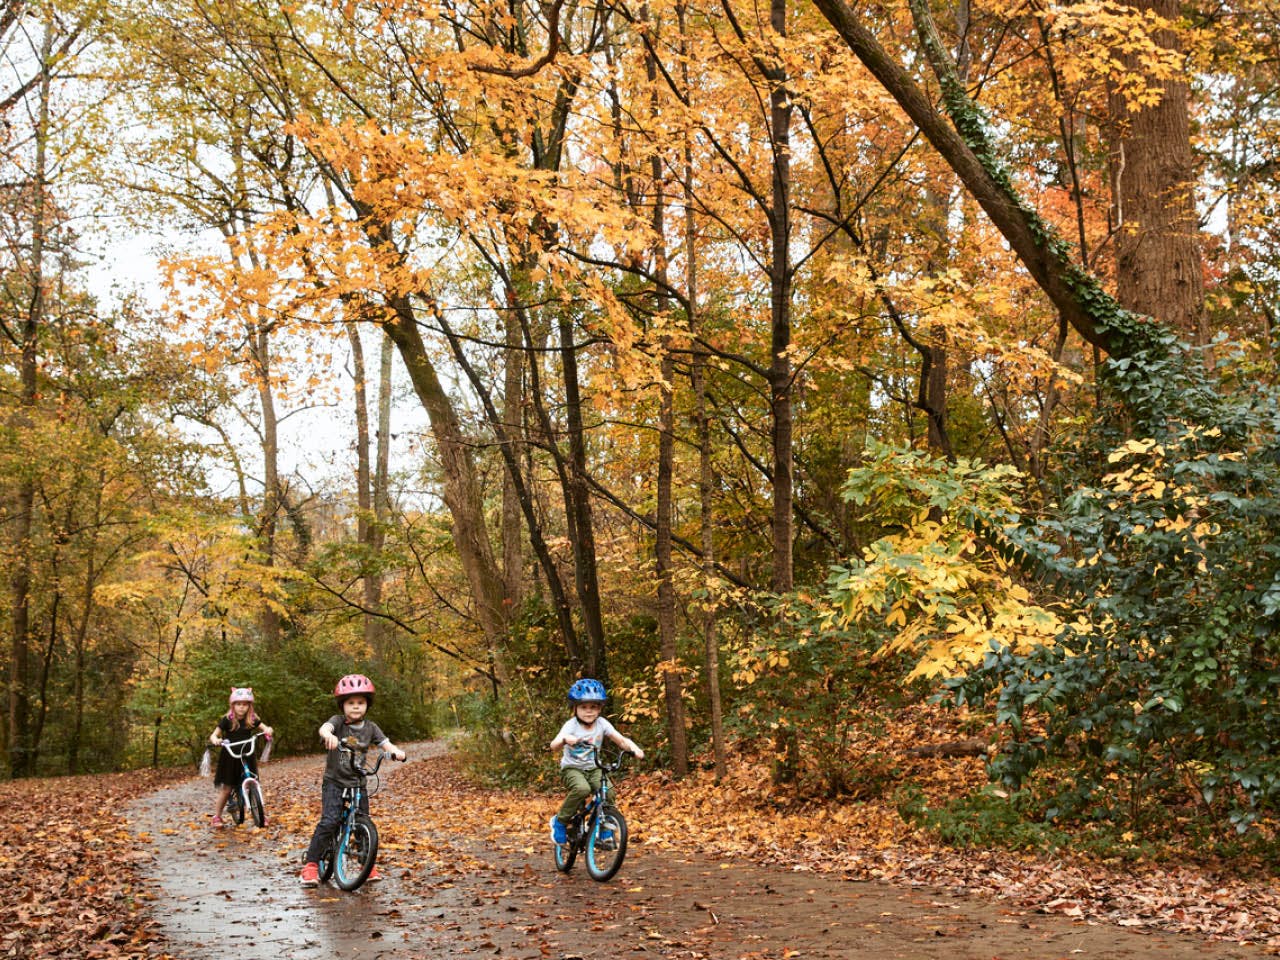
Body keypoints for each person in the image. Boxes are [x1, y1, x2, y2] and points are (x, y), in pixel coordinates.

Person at [299, 674, 406, 886]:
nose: (356, 707)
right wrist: (328, 735)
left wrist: (395, 752)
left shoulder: (371, 727)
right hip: (335, 781)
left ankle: (366, 863)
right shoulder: (337, 722)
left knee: (361, 822)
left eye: (360, 702)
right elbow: (325, 728)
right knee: (330, 820)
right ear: (342, 705)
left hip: (358, 782)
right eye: (350, 703)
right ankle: (310, 866)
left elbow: (385, 743)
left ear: (367, 704)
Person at [549, 678, 643, 844]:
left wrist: (634, 749)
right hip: (572, 768)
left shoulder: (602, 724)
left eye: (594, 707)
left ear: (600, 708)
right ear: (575, 708)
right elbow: (553, 745)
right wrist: (565, 739)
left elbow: (620, 740)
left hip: (594, 768)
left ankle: (605, 830)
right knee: (582, 789)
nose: (589, 711)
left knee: (609, 792)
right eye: (584, 707)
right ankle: (560, 821)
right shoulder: (571, 726)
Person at [209, 687, 273, 828]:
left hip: (246, 754)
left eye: (245, 704)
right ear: (233, 705)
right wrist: (216, 740)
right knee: (227, 788)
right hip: (230, 755)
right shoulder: (227, 720)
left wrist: (268, 730)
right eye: (238, 704)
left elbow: (265, 727)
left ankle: (261, 814)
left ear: (249, 706)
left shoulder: (252, 718)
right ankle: (217, 816)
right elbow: (214, 735)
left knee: (253, 782)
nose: (241, 707)